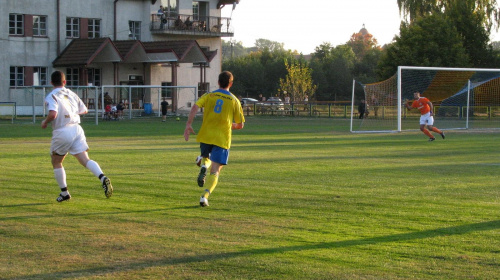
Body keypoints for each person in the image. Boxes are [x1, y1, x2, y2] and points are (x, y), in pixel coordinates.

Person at [41, 71, 113, 202]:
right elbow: (84, 110)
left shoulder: (51, 95)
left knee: (56, 161)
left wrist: (45, 122)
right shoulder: (71, 93)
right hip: (77, 129)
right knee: (85, 160)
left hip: (62, 130)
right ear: (65, 82)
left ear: (51, 83)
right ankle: (102, 177)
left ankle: (64, 193)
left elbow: (53, 114)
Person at [184, 71, 245, 207]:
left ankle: (204, 164)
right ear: (231, 84)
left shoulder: (209, 95)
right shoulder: (234, 100)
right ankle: (204, 197)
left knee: (205, 156)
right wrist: (230, 125)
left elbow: (195, 107)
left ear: (218, 82)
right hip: (222, 138)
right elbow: (240, 125)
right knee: (216, 170)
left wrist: (188, 124)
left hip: (206, 134)